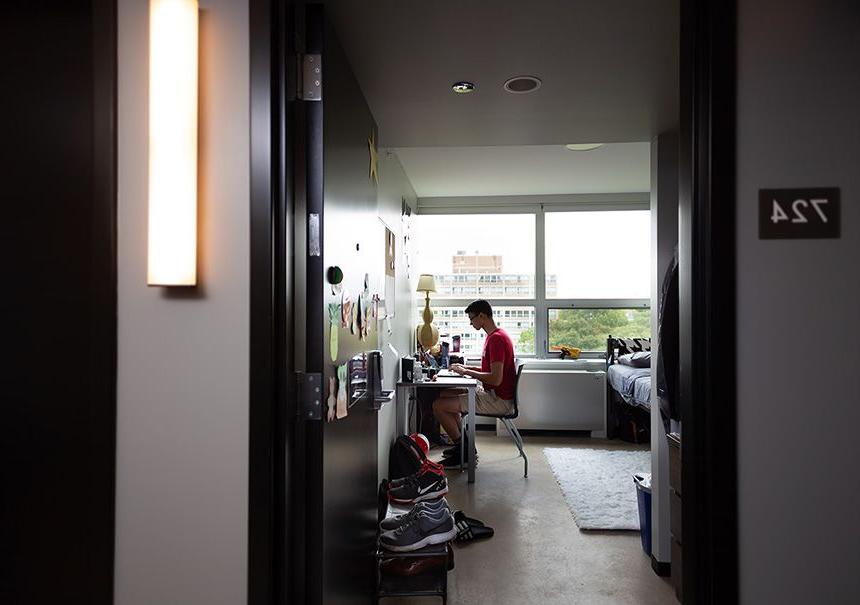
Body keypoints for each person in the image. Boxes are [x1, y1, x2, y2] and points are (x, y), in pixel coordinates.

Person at [431, 300, 517, 468]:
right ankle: (464, 447)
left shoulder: (496, 340)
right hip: (493, 394)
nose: (470, 323)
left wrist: (466, 372)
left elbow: (495, 379)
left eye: (472, 318)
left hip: (498, 401)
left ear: (482, 316)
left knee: (438, 406)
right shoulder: (494, 336)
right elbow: (489, 370)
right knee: (445, 394)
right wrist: (465, 367)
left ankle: (464, 452)